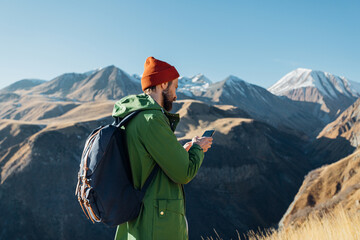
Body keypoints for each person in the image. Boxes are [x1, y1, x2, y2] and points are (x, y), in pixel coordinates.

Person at [112, 56, 213, 240]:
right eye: (175, 87)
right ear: (164, 84)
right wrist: (198, 149)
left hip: (139, 220)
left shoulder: (132, 117)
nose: (176, 95)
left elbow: (149, 163)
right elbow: (184, 172)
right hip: (156, 225)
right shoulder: (152, 120)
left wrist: (182, 151)